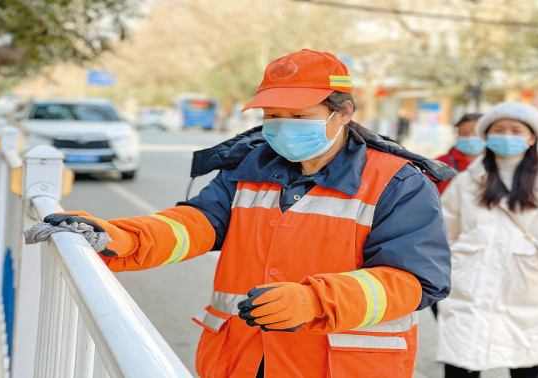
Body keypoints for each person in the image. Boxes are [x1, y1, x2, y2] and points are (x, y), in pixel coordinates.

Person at [25, 49, 453, 378]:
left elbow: (415, 280)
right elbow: (195, 224)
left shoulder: (398, 182)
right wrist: (119, 236)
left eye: (298, 116)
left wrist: (314, 300)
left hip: (340, 365)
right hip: (245, 359)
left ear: (343, 114)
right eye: (272, 116)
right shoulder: (251, 169)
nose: (282, 126)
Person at [438, 102, 538, 378]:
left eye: (516, 130)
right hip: (469, 287)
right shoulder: (467, 182)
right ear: (486, 137)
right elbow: (445, 231)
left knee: (525, 366)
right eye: (499, 130)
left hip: (526, 288)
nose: (507, 136)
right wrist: (455, 264)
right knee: (461, 363)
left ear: (533, 137)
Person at [435, 113, 484, 194]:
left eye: (476, 133)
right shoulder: (439, 163)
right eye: (464, 133)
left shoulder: (499, 164)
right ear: (457, 134)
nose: (470, 137)